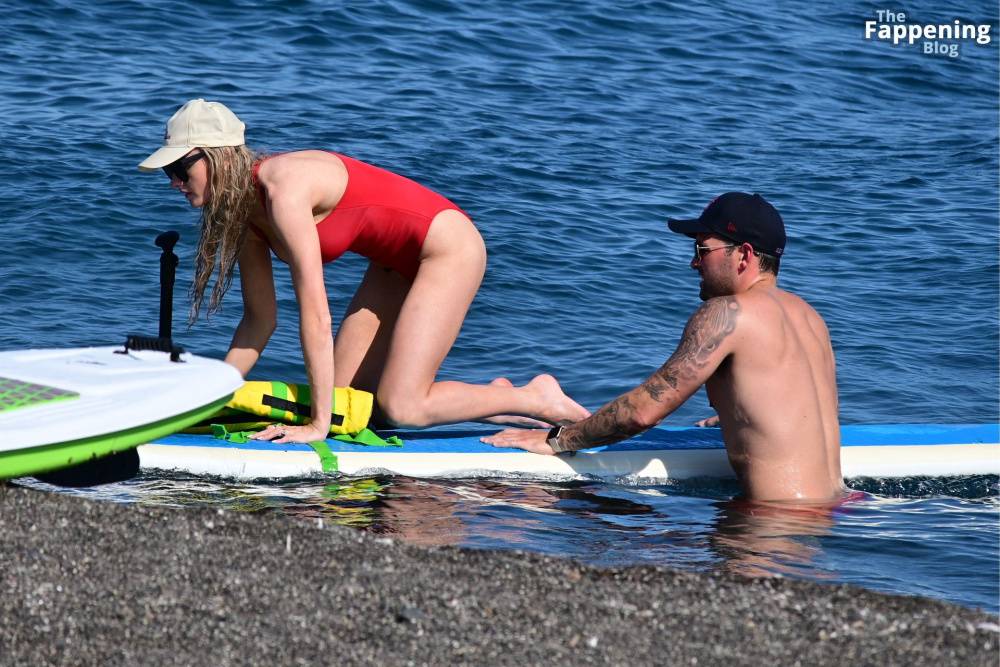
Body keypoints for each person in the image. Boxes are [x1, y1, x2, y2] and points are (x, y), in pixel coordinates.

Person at [139, 99, 589, 444]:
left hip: (447, 246)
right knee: (348, 406)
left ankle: (535, 396)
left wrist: (315, 426)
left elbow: (315, 313)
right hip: (392, 265)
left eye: (181, 168)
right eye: (169, 174)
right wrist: (207, 399)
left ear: (215, 156)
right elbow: (260, 320)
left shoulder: (282, 189)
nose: (176, 183)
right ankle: (497, 398)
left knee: (400, 407)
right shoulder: (244, 215)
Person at [484, 193, 845, 502]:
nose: (693, 263)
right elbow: (800, 405)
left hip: (771, 524)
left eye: (702, 249)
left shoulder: (727, 314)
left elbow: (643, 412)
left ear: (744, 255)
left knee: (592, 538)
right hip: (837, 508)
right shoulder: (811, 318)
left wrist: (560, 440)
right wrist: (737, 416)